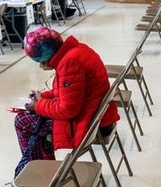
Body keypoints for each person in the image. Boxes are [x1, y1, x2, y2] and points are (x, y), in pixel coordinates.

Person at [14, 27, 120, 159]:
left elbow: (68, 109)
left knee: (22, 121)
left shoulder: (69, 63)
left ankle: (42, 169)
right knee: (33, 119)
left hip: (89, 122)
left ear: (44, 58)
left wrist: (38, 106)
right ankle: (44, 166)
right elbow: (70, 91)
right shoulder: (76, 50)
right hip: (97, 114)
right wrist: (43, 97)